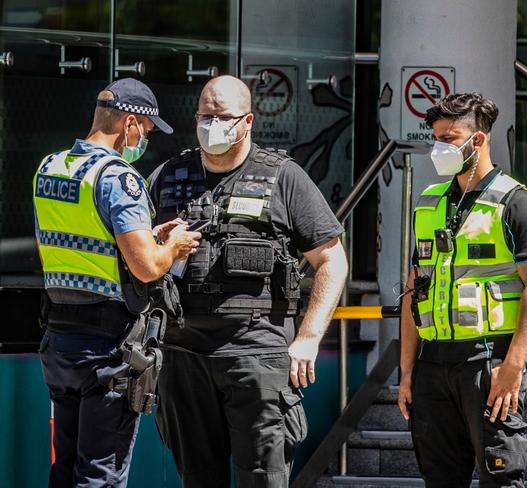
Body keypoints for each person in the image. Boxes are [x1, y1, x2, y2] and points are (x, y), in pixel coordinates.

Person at [147, 75, 348, 487]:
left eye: (222, 117)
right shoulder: (168, 175)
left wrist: (308, 338)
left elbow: (331, 260)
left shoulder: (284, 177)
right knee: (197, 478)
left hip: (255, 352)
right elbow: (138, 255)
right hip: (182, 352)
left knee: (263, 476)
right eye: (204, 116)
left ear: (249, 120)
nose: (211, 125)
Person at [33, 78, 202, 488]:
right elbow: (145, 269)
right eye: (143, 132)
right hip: (105, 347)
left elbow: (85, 243)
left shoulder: (51, 167)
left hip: (59, 340)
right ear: (129, 123)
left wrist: (149, 235)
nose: (142, 141)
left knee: (66, 467)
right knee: (100, 475)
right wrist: (173, 246)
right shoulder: (117, 177)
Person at [397, 93, 527, 488]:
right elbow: (415, 289)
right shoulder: (428, 203)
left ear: (478, 140)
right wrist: (406, 371)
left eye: (449, 138)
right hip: (433, 364)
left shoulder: (517, 203)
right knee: (439, 479)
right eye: (435, 137)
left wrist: (513, 367)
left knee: (500, 477)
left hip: (488, 361)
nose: (439, 148)